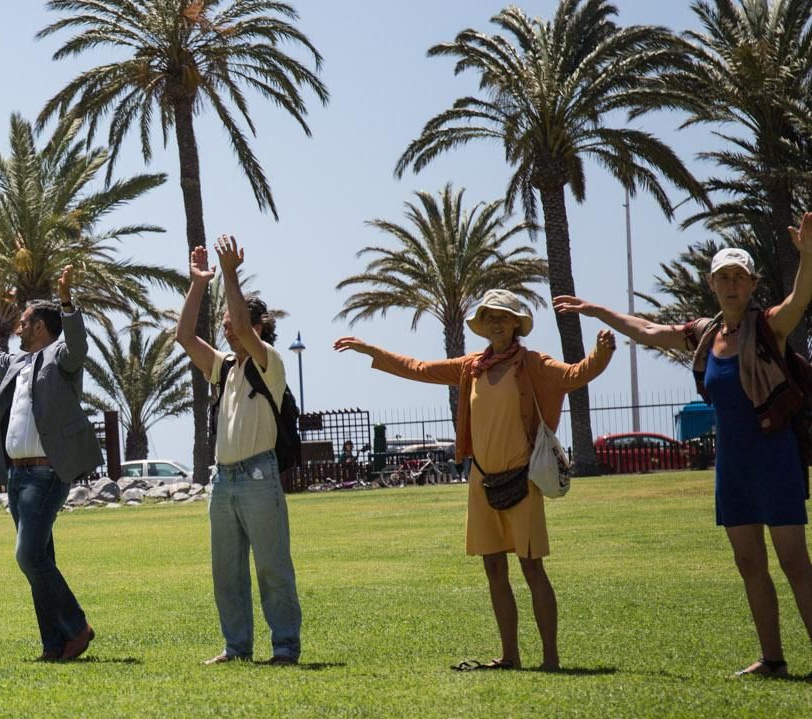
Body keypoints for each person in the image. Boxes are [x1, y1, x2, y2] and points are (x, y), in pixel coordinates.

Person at [554, 213, 812, 677]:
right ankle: (772, 659)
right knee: (749, 562)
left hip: (775, 460)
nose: (732, 285)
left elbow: (800, 298)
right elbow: (648, 331)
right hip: (732, 468)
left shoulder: (769, 326)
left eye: (739, 277)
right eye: (723, 278)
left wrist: (808, 255)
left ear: (752, 284)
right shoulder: (706, 335)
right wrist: (597, 311)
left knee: (796, 562)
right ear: (712, 285)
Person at [337, 289, 614, 671]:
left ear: (516, 323)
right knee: (494, 569)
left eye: (503, 315)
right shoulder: (471, 367)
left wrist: (602, 353)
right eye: (489, 316)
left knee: (533, 569)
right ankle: (510, 656)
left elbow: (573, 376)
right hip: (481, 482)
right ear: (482, 325)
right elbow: (419, 367)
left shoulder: (532, 363)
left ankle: (551, 659)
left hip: (523, 480)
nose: (496, 321)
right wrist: (374, 351)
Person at [174, 237, 304, 666]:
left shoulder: (270, 363)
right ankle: (237, 647)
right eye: (225, 320)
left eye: (233, 320)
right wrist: (199, 283)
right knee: (226, 573)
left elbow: (245, 333)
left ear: (260, 325)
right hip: (223, 480)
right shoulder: (224, 367)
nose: (227, 326)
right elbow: (184, 335)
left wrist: (229, 274)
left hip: (259, 478)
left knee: (272, 568)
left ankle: (284, 647)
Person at [0, 265, 100, 661]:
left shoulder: (61, 357)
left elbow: (78, 345)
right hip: (17, 475)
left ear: (40, 325)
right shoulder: (16, 364)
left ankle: (77, 627)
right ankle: (53, 645)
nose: (18, 327)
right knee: (41, 559)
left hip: (46, 473)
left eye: (23, 321)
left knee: (27, 556)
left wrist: (67, 303)